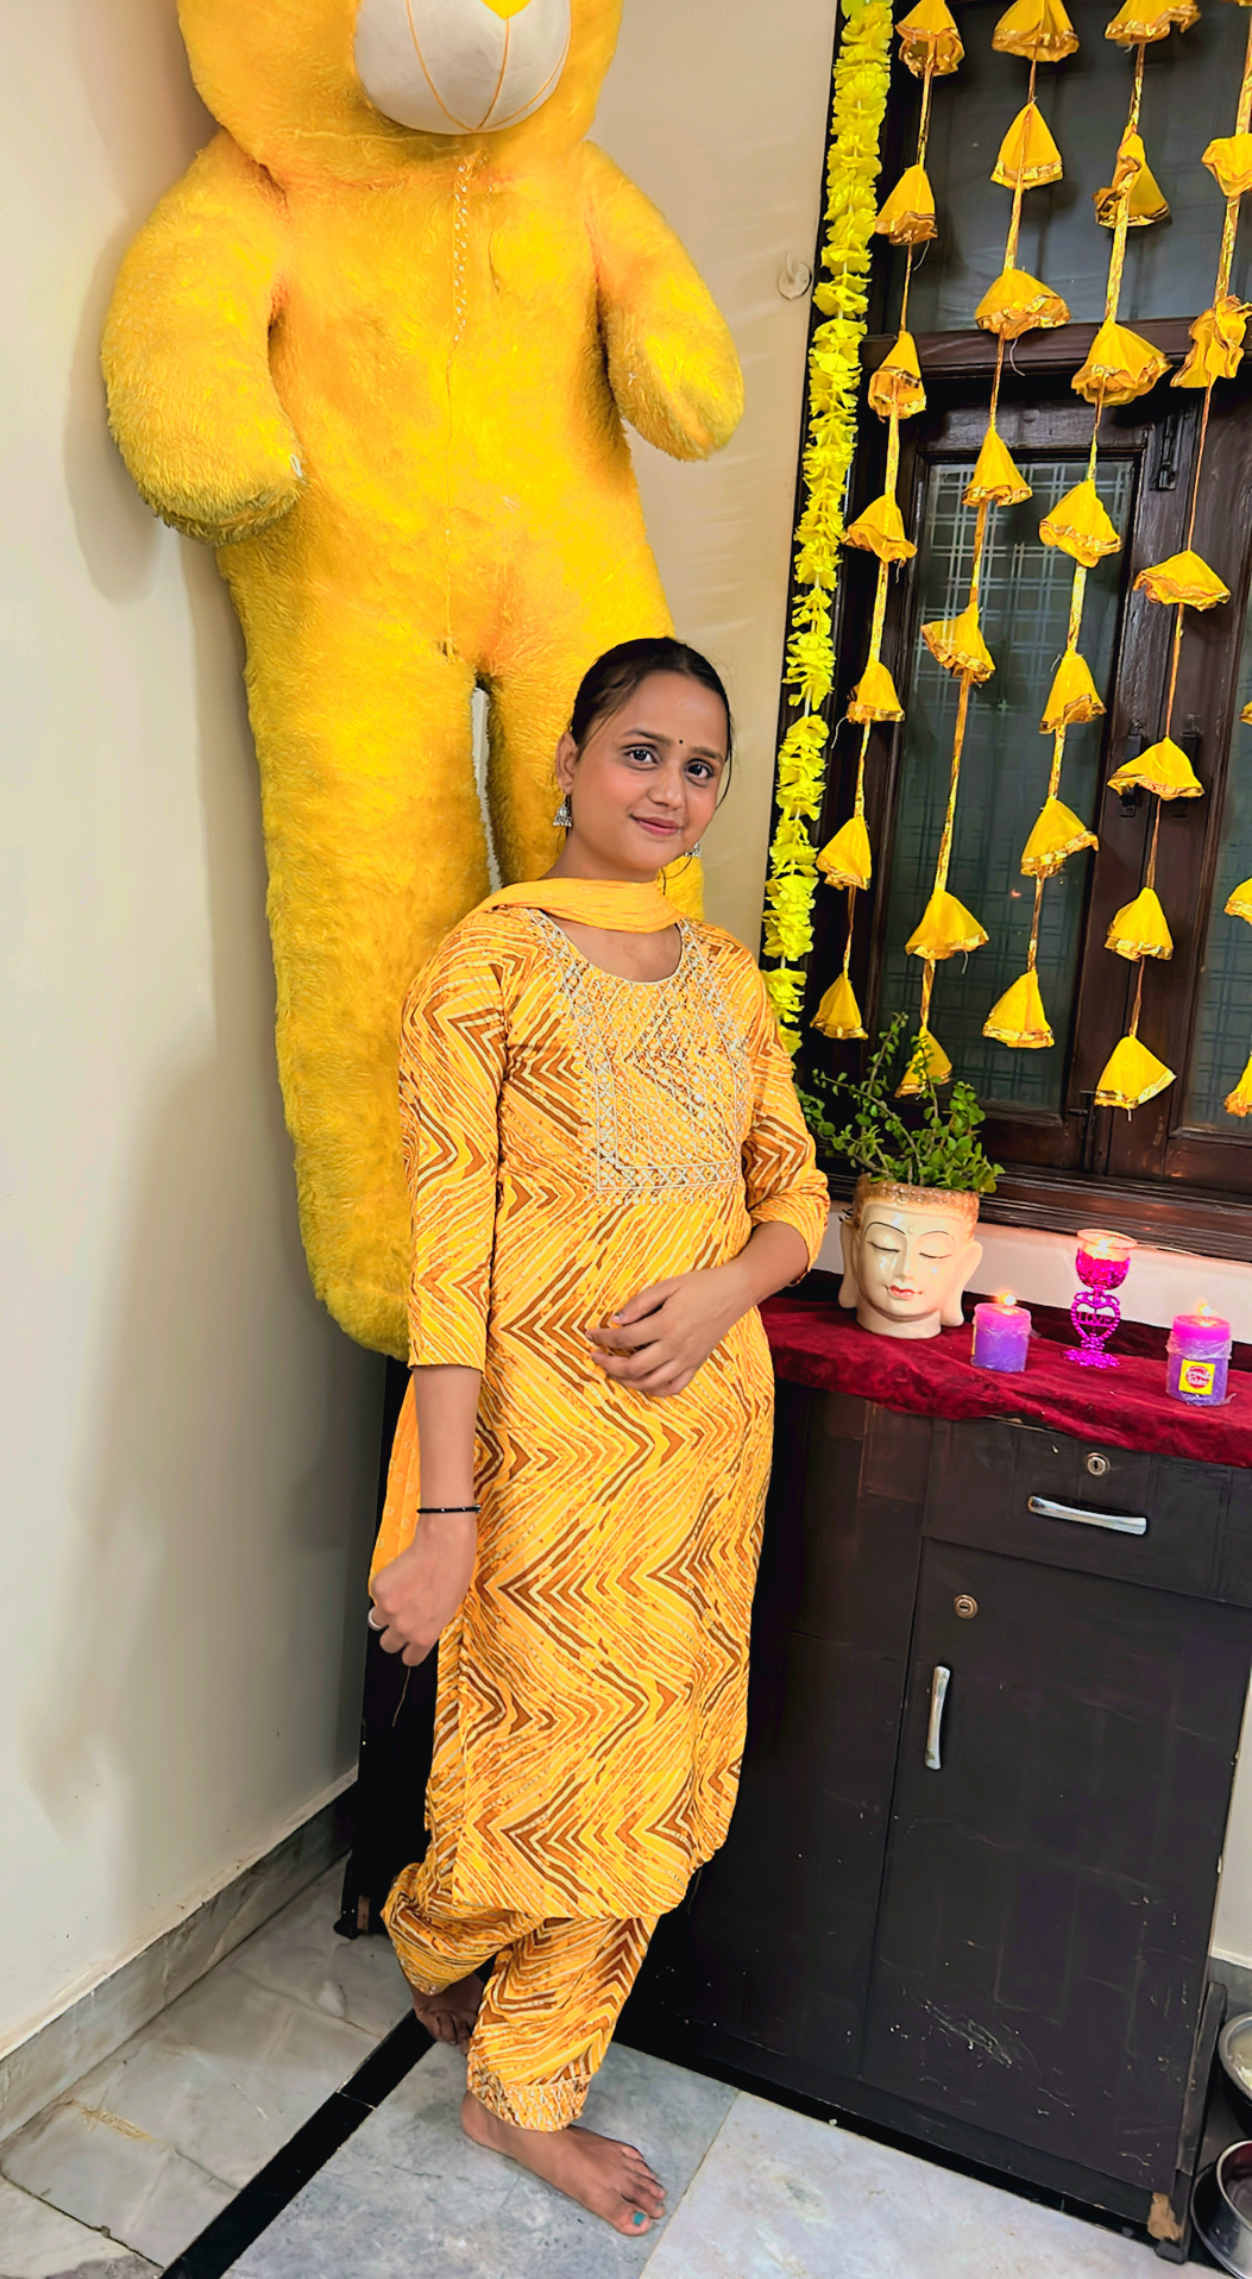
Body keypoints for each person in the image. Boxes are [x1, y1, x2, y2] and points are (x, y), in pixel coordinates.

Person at [367, 638, 830, 2235]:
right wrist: (445, 1517)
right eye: (642, 750)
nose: (671, 788)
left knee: (648, 1790)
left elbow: (796, 1192)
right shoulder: (482, 970)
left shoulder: (726, 977)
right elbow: (445, 1269)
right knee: (529, 1782)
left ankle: (519, 2089)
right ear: (567, 761)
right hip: (540, 1468)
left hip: (702, 1461)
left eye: (701, 766)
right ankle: (434, 1933)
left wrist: (725, 1290)